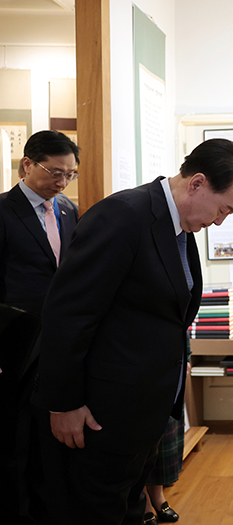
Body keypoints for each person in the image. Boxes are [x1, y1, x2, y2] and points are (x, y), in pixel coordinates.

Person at [31, 138, 233, 525]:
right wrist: (64, 403)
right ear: (197, 184)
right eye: (223, 209)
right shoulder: (122, 216)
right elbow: (68, 315)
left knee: (129, 507)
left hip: (142, 413)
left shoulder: (179, 229)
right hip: (99, 414)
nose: (220, 221)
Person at [0, 130, 81, 524]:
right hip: (15, 341)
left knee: (50, 438)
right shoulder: (2, 210)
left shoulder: (68, 210)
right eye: (55, 172)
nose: (62, 182)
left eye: (70, 174)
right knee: (17, 440)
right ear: (26, 165)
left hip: (58, 340)